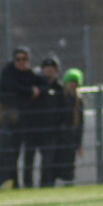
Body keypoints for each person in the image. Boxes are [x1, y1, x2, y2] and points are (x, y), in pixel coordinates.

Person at [0, 46, 44, 190]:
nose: (21, 62)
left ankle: (28, 183)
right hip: (10, 122)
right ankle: (12, 183)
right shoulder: (7, 73)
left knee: (29, 154)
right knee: (11, 154)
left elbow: (43, 85)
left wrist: (36, 90)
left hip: (28, 121)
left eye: (24, 59)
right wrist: (29, 91)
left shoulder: (31, 74)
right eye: (18, 59)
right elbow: (10, 87)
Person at [33, 56, 68, 188]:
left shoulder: (59, 87)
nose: (49, 70)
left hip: (53, 129)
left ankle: (47, 184)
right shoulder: (37, 86)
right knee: (32, 158)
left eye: (51, 67)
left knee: (50, 159)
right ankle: (30, 183)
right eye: (46, 67)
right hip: (37, 128)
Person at [57, 68, 85, 185]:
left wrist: (78, 143)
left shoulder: (79, 101)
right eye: (70, 82)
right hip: (59, 137)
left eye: (75, 82)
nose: (73, 85)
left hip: (71, 138)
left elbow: (80, 124)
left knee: (69, 165)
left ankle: (68, 183)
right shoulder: (59, 98)